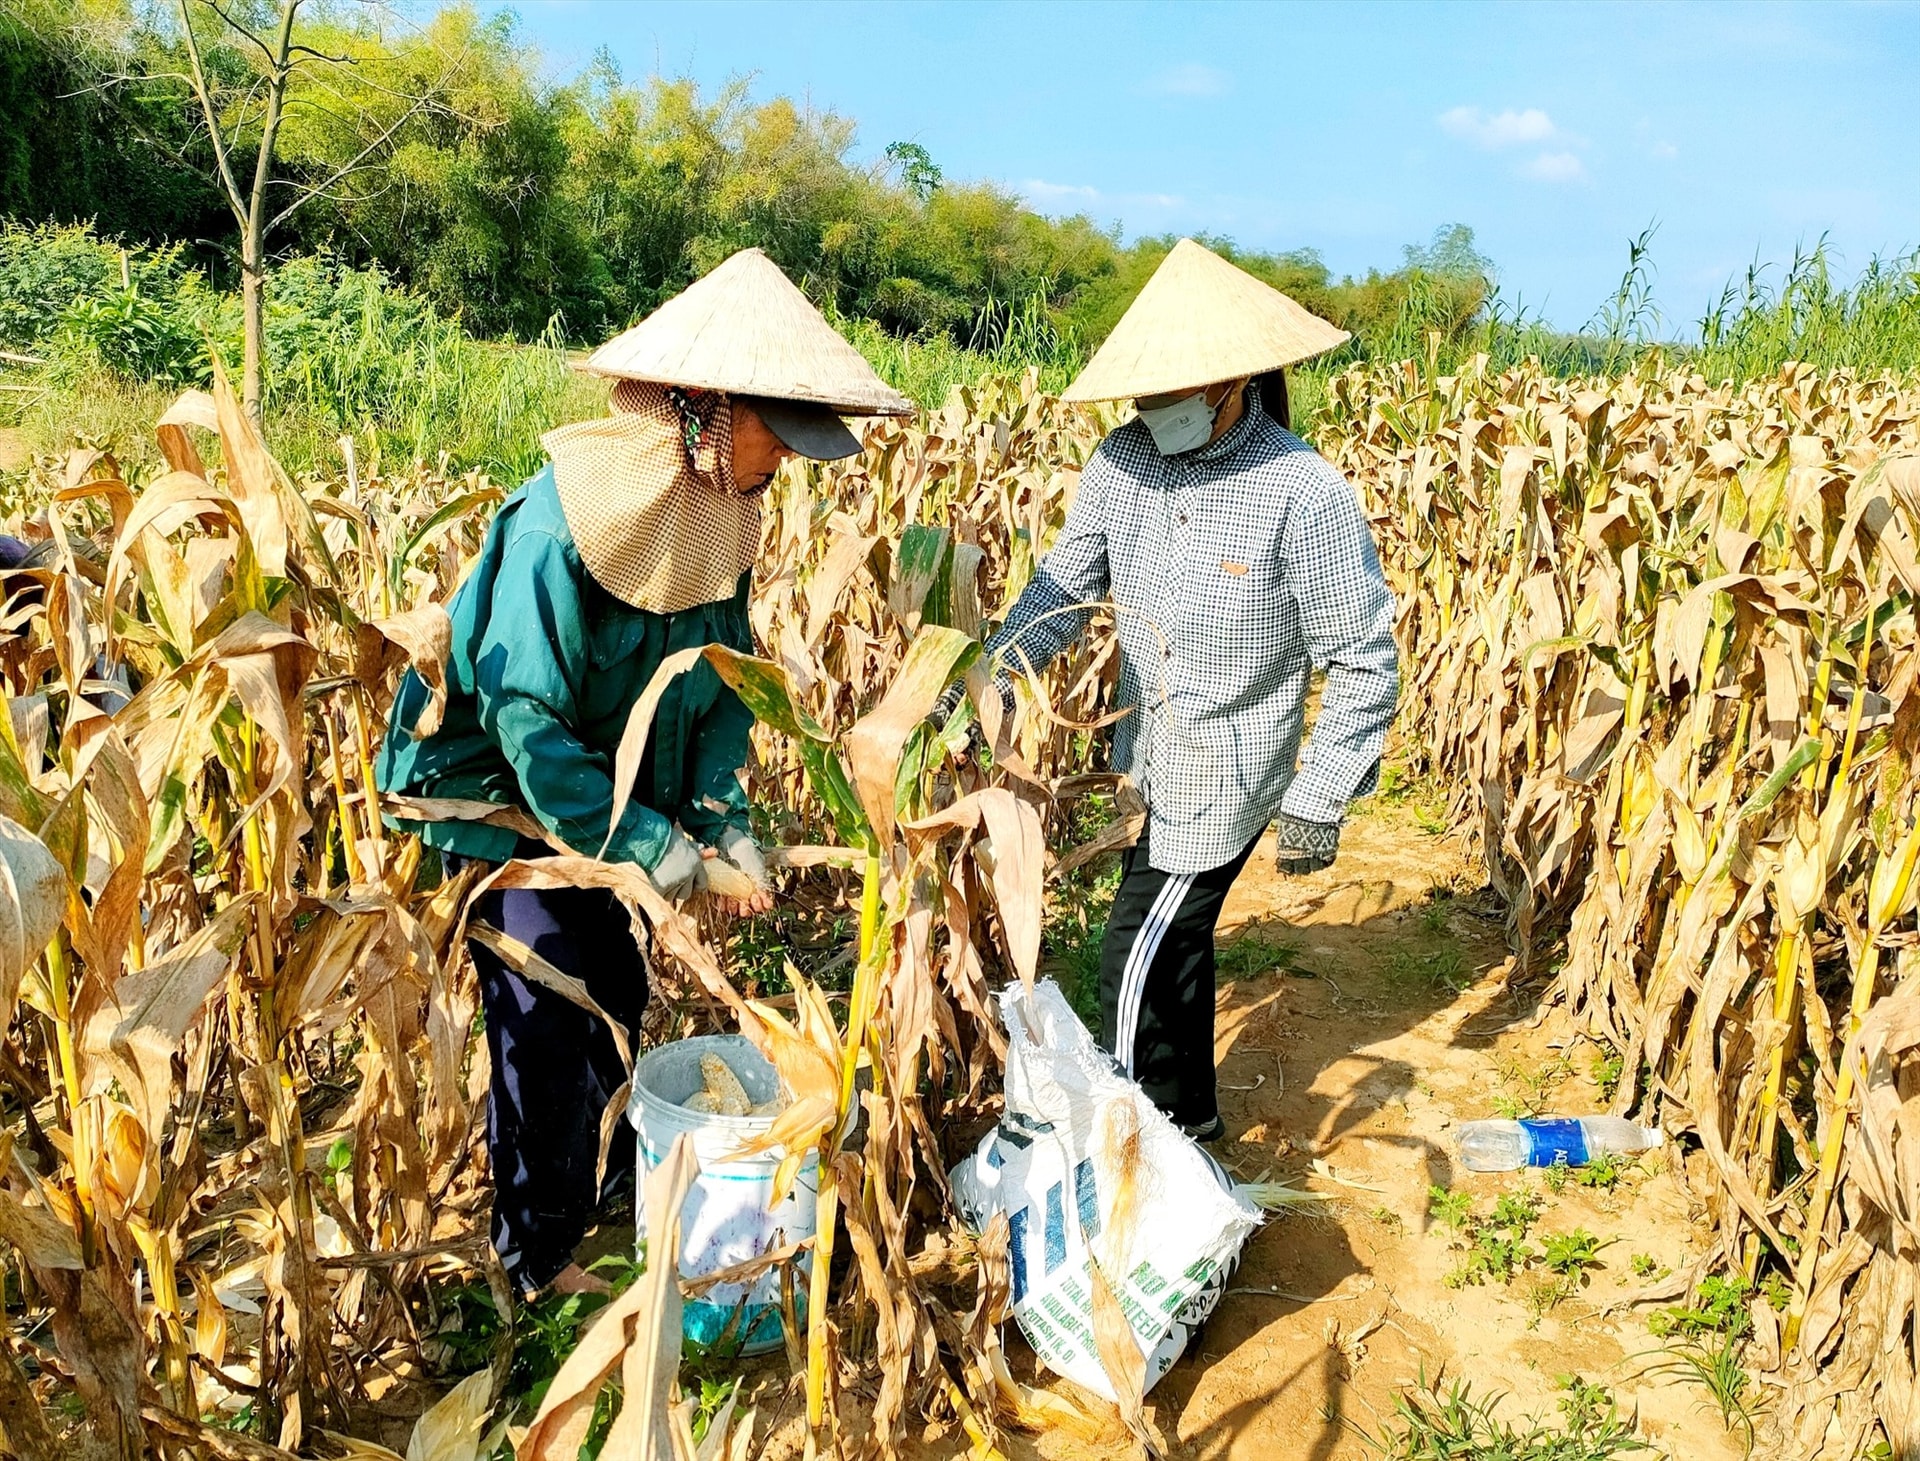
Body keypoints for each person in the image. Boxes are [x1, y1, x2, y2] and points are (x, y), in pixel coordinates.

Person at [377, 248, 912, 1297]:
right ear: (704, 410)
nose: (782, 464)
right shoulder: (553, 532)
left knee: (619, 986)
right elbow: (526, 722)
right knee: (548, 1005)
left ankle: (622, 1171)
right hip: (506, 808)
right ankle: (534, 1254)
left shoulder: (721, 511)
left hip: (612, 795)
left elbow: (715, 688)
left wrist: (723, 819)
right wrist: (645, 845)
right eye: (774, 435)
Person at [954, 238, 1399, 1141]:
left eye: (1169, 390)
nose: (1151, 407)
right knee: (1177, 943)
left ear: (1231, 383)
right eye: (1142, 391)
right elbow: (1061, 594)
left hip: (1230, 768)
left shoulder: (1300, 492)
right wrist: (980, 683)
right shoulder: (1123, 464)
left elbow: (1361, 654)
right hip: (1147, 758)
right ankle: (1187, 1122)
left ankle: (1120, 1148)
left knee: (1136, 959)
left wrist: (1322, 793)